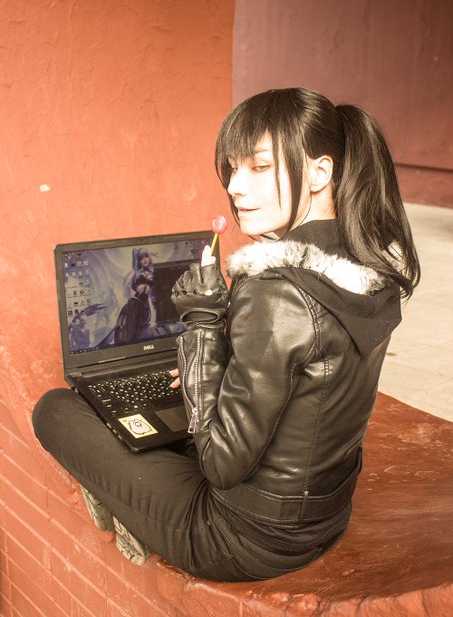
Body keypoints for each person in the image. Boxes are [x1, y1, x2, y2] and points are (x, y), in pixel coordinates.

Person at [32, 87, 420, 581]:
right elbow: (305, 380)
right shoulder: (368, 268)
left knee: (56, 409)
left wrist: (201, 325)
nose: (236, 186)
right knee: (152, 421)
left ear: (320, 172)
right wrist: (216, 365)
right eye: (233, 169)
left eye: (260, 166)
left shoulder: (276, 292)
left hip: (241, 538)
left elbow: (219, 466)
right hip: (324, 517)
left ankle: (129, 511)